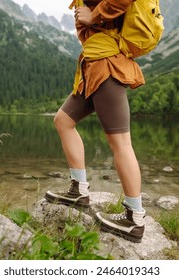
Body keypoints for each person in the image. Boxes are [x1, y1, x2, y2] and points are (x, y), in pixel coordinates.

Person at [45, 0, 146, 243]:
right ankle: (78, 190)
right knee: (63, 120)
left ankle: (135, 218)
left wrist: (94, 15)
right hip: (93, 66)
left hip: (108, 65)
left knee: (120, 142)